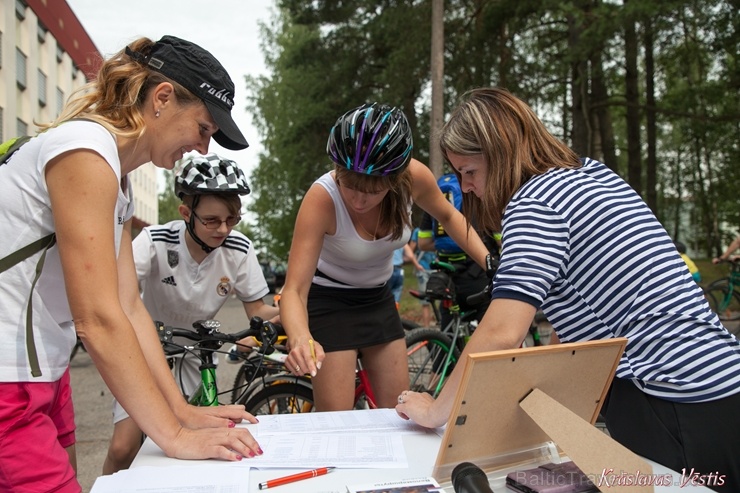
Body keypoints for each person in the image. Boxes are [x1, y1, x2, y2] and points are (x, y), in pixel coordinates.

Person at [395, 87, 740, 492]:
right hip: (719, 386)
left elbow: (503, 330)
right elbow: (578, 309)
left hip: (667, 396)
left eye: (469, 172)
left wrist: (436, 411)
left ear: (502, 153)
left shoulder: (535, 204)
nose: (466, 188)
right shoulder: (590, 174)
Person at [0, 35, 263, 491]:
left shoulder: (114, 174)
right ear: (162, 98)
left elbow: (129, 306)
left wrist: (181, 412)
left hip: (43, 370)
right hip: (8, 378)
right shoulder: (84, 149)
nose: (203, 148)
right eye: (203, 128)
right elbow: (98, 320)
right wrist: (174, 436)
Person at [279, 102, 489, 412]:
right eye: (350, 185)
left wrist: (491, 263)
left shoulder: (414, 177)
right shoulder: (321, 198)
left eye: (373, 190)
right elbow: (294, 290)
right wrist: (300, 338)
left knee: (400, 414)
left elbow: (449, 216)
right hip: (328, 303)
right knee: (337, 420)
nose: (360, 199)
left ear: (395, 178)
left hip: (377, 299)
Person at [103, 153, 279, 474]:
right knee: (124, 445)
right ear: (186, 213)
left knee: (204, 445)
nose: (223, 229)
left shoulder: (240, 249)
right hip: (145, 353)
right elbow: (117, 294)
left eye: (231, 219)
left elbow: (258, 310)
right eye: (211, 220)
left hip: (197, 357)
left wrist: (289, 312)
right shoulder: (156, 240)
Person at [417, 174, 493, 330]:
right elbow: (499, 238)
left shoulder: (435, 195)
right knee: (490, 336)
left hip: (447, 276)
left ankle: (447, 350)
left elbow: (423, 243)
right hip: (476, 274)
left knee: (448, 335)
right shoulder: (474, 194)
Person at [408, 227, 436, 327]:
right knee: (428, 302)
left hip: (429, 269)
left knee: (429, 302)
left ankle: (430, 330)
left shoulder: (421, 230)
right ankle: (429, 330)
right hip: (429, 269)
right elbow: (410, 250)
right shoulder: (421, 230)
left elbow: (410, 250)